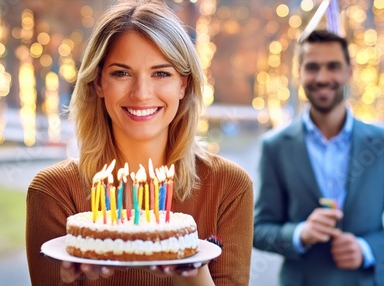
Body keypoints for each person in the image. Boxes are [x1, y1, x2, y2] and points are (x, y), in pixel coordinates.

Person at [25, 1, 254, 285]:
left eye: (161, 73)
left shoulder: (228, 187)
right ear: (98, 82)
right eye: (121, 73)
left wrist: (190, 269)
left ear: (183, 84)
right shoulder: (54, 191)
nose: (142, 93)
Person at [253, 29, 384, 286]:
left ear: (349, 71)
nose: (322, 78)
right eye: (312, 67)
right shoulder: (275, 146)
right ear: (299, 72)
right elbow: (259, 229)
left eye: (333, 66)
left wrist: (368, 249)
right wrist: (300, 234)